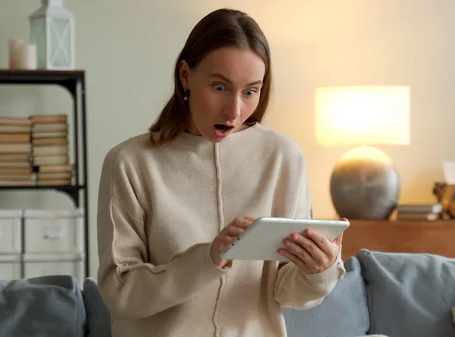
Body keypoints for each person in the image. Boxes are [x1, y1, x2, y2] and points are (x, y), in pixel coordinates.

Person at [96, 8, 346, 337]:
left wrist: (318, 272)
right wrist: (208, 259)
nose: (234, 110)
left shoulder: (282, 157)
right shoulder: (129, 162)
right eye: (219, 87)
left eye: (250, 91)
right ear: (185, 75)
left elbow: (285, 291)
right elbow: (121, 293)